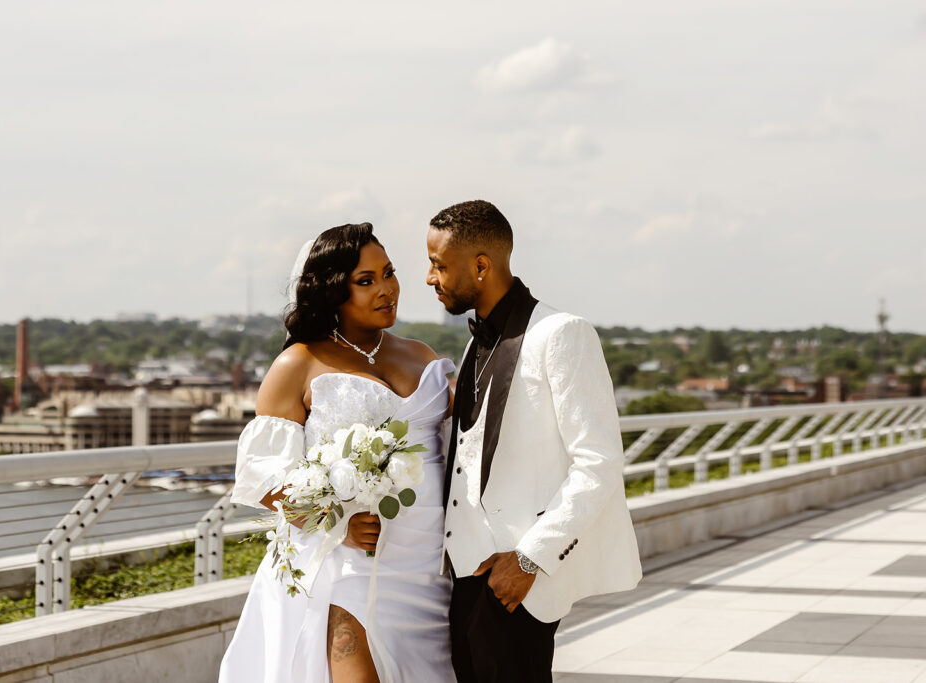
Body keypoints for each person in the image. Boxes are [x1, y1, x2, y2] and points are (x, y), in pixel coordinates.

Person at [219, 223, 457, 683]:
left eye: (388, 273)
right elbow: (260, 475)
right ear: (331, 292)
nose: (386, 289)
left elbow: (458, 452)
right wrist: (337, 520)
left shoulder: (422, 356)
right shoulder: (298, 364)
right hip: (349, 559)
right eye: (365, 281)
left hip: (428, 562)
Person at [426, 200, 643, 683]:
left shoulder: (561, 333)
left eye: (439, 264)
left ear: (481, 265)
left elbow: (599, 462)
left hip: (514, 576)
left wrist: (529, 559)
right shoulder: (474, 341)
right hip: (465, 575)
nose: (429, 277)